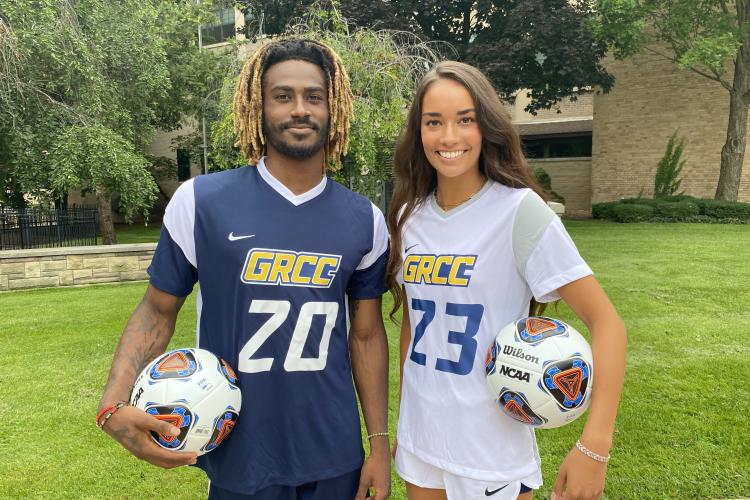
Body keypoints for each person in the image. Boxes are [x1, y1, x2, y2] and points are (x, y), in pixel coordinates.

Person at [97, 38, 392, 500]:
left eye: (314, 96)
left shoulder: (365, 219)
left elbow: (367, 335)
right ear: (258, 106)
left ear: (333, 108)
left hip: (335, 452)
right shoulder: (202, 201)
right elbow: (157, 310)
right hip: (241, 452)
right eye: (282, 96)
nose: (300, 109)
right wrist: (113, 402)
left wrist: (379, 444)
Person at [385, 61, 627, 500]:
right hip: (422, 438)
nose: (449, 137)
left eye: (465, 120)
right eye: (433, 122)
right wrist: (404, 417)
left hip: (490, 446)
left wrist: (595, 446)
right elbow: (414, 326)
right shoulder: (408, 217)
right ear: (418, 133)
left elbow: (608, 324)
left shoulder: (520, 212)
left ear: (486, 127)